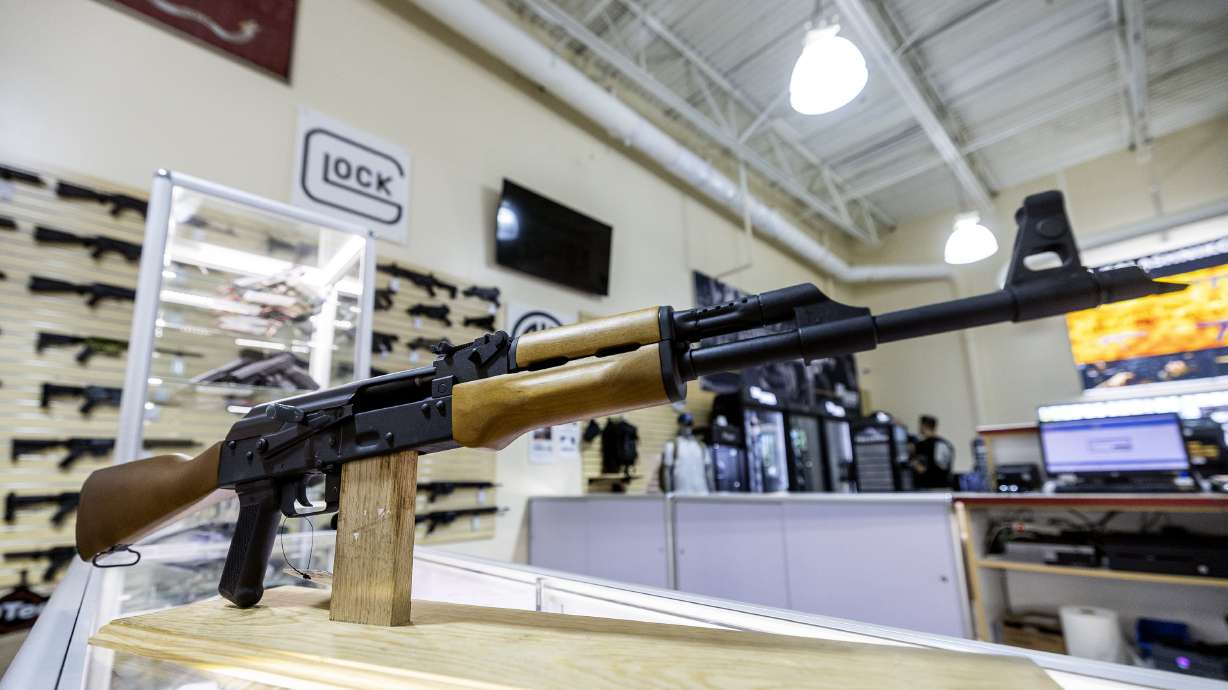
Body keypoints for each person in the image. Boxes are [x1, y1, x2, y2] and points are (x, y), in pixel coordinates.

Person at [910, 415, 955, 490]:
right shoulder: (947, 444)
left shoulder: (922, 445)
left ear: (923, 426)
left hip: (930, 488)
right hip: (946, 487)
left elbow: (921, 469)